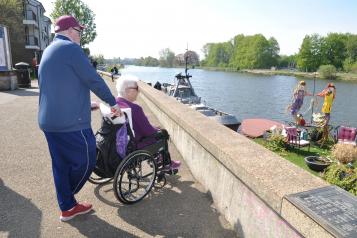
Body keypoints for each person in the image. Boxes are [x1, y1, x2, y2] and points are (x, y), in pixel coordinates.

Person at [38, 15, 122, 222]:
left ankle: (67, 207)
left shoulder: (49, 50)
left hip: (49, 121)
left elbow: (58, 87)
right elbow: (93, 79)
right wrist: (113, 103)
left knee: (61, 165)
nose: (81, 35)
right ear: (69, 30)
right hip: (70, 124)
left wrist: (86, 104)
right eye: (79, 31)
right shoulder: (71, 49)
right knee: (88, 160)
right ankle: (67, 200)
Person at [115, 75, 181, 170]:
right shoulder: (135, 109)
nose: (139, 91)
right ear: (129, 90)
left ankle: (158, 158)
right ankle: (165, 162)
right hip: (135, 145)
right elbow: (149, 131)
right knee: (162, 134)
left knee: (155, 131)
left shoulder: (114, 104)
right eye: (137, 88)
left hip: (120, 143)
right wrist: (157, 129)